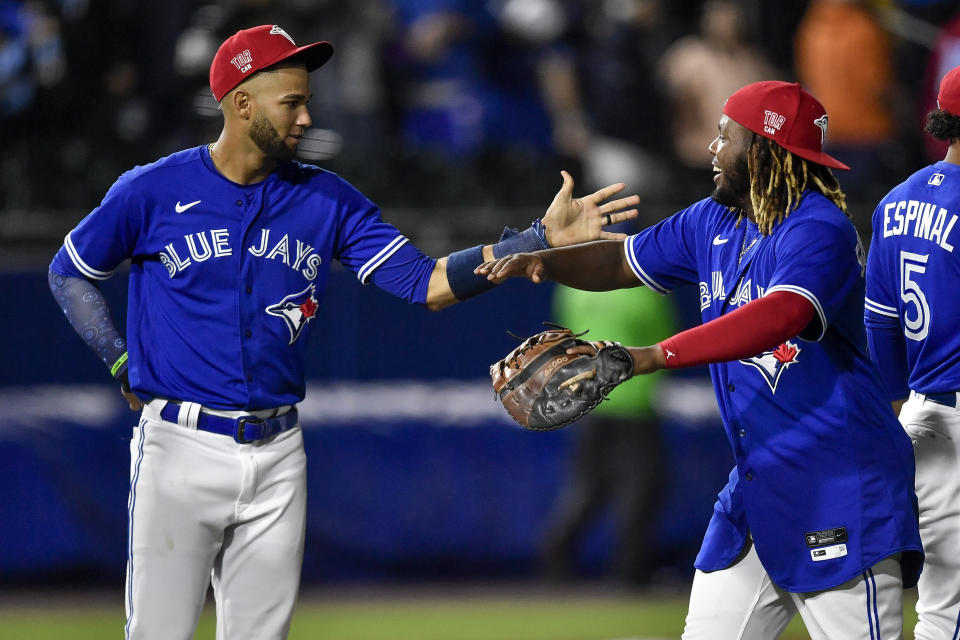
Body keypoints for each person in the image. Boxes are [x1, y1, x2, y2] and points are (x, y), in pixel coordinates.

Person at [46, 25, 639, 640]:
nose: (306, 116)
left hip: (278, 453)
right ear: (241, 102)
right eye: (291, 102)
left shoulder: (327, 200)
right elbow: (69, 275)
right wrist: (119, 361)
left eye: (308, 100)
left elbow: (425, 282)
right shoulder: (152, 190)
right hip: (179, 447)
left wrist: (533, 241)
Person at [478, 80, 923, 639]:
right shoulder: (713, 222)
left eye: (724, 135)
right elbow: (623, 261)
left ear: (763, 148)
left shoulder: (819, 229)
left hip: (840, 485)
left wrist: (652, 356)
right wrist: (544, 256)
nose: (713, 148)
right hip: (757, 487)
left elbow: (779, 315)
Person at [864, 64, 960, 640]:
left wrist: (900, 407)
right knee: (949, 616)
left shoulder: (895, 202)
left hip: (922, 411)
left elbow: (880, 324)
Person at [539, 283, 675, 586]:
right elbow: (665, 343)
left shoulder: (573, 289)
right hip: (635, 402)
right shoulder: (646, 290)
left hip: (589, 402)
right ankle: (631, 573)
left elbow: (565, 339)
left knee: (587, 487)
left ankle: (556, 559)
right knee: (641, 490)